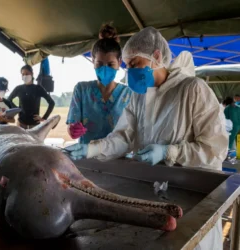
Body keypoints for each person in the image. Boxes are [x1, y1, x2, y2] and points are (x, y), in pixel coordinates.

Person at [65, 27, 227, 250]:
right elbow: (123, 136)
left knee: (191, 242)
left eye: (134, 64)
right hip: (154, 193)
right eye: (127, 66)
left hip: (193, 195)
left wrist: (169, 152)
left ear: (156, 57)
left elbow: (214, 148)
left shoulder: (192, 90)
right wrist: (92, 149)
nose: (129, 71)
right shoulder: (139, 96)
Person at [66, 23, 131, 144]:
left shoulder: (128, 94)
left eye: (110, 64)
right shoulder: (81, 90)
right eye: (99, 64)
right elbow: (72, 125)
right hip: (88, 158)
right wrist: (72, 130)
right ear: (93, 61)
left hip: (120, 159)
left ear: (119, 62)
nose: (105, 69)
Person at [7, 65, 55, 129]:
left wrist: (43, 118)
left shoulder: (38, 88)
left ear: (32, 74)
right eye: (23, 74)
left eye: (27, 74)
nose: (25, 76)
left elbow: (52, 103)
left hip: (35, 126)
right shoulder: (19, 88)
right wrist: (18, 109)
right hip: (21, 125)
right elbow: (8, 100)